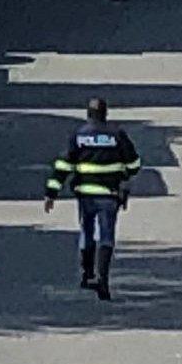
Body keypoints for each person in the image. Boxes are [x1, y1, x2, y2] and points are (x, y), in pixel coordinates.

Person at [44, 98, 141, 300]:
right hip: (109, 195)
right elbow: (134, 164)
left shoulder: (78, 136)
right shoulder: (117, 135)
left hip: (86, 195)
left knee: (87, 231)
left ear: (88, 114)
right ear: (105, 114)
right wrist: (124, 175)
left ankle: (87, 274)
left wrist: (51, 193)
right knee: (106, 236)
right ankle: (102, 280)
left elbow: (63, 166)